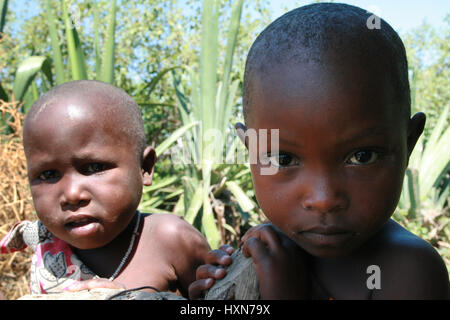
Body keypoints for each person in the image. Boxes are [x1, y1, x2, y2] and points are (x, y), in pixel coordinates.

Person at [189, 3, 449, 299]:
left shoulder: (409, 271)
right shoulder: (264, 251)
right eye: (282, 159)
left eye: (362, 157)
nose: (323, 200)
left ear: (409, 143)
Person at [0, 80, 210, 298]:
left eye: (94, 167)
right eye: (48, 175)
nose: (72, 194)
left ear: (145, 168)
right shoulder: (47, 250)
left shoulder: (171, 240)